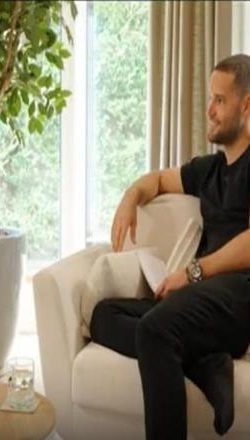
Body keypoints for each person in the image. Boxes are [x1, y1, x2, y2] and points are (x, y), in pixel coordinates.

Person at [89, 53, 250, 440]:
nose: (209, 110)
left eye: (220, 100)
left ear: (247, 106)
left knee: (154, 331)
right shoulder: (210, 170)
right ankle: (204, 363)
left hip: (239, 298)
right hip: (201, 300)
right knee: (102, 316)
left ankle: (199, 360)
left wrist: (193, 272)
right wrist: (130, 197)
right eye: (209, 98)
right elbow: (159, 180)